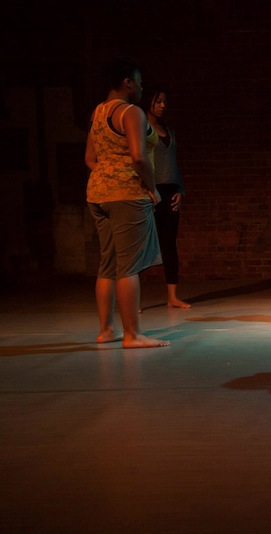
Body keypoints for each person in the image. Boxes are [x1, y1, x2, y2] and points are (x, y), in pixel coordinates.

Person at [84, 57, 169, 348]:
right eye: (139, 82)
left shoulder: (98, 112)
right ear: (127, 83)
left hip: (98, 194)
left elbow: (90, 158)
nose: (142, 87)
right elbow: (138, 156)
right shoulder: (131, 112)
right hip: (127, 195)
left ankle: (106, 330)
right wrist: (152, 188)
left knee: (107, 263)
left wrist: (108, 175)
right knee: (128, 266)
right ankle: (132, 334)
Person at [140, 86, 191, 309]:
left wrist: (180, 190)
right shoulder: (141, 129)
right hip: (151, 191)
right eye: (158, 100)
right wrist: (148, 190)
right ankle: (134, 300)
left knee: (170, 244)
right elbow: (138, 161)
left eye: (165, 101)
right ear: (149, 102)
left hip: (170, 192)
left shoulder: (169, 131)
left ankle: (172, 296)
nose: (163, 105)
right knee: (144, 246)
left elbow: (173, 164)